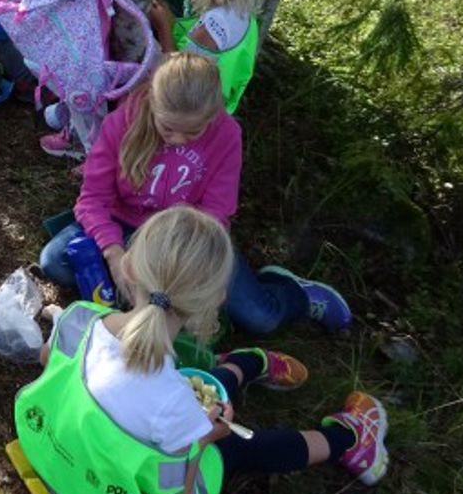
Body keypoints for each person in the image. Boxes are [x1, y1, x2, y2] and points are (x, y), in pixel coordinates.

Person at [16, 206, 389, 494]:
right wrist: (201, 441)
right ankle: (349, 440)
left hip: (51, 458)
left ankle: (247, 364)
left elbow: (50, 362)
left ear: (128, 266)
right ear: (215, 299)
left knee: (199, 395)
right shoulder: (176, 403)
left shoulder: (79, 319)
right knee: (237, 447)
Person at [39, 53, 351, 336]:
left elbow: (215, 214)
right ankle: (131, 289)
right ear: (153, 104)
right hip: (125, 223)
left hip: (186, 238)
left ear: (213, 115)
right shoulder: (123, 122)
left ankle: (294, 292)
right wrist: (115, 253)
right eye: (169, 128)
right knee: (55, 261)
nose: (178, 140)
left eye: (192, 133)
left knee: (260, 318)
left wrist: (181, 270)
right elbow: (93, 198)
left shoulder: (227, 136)